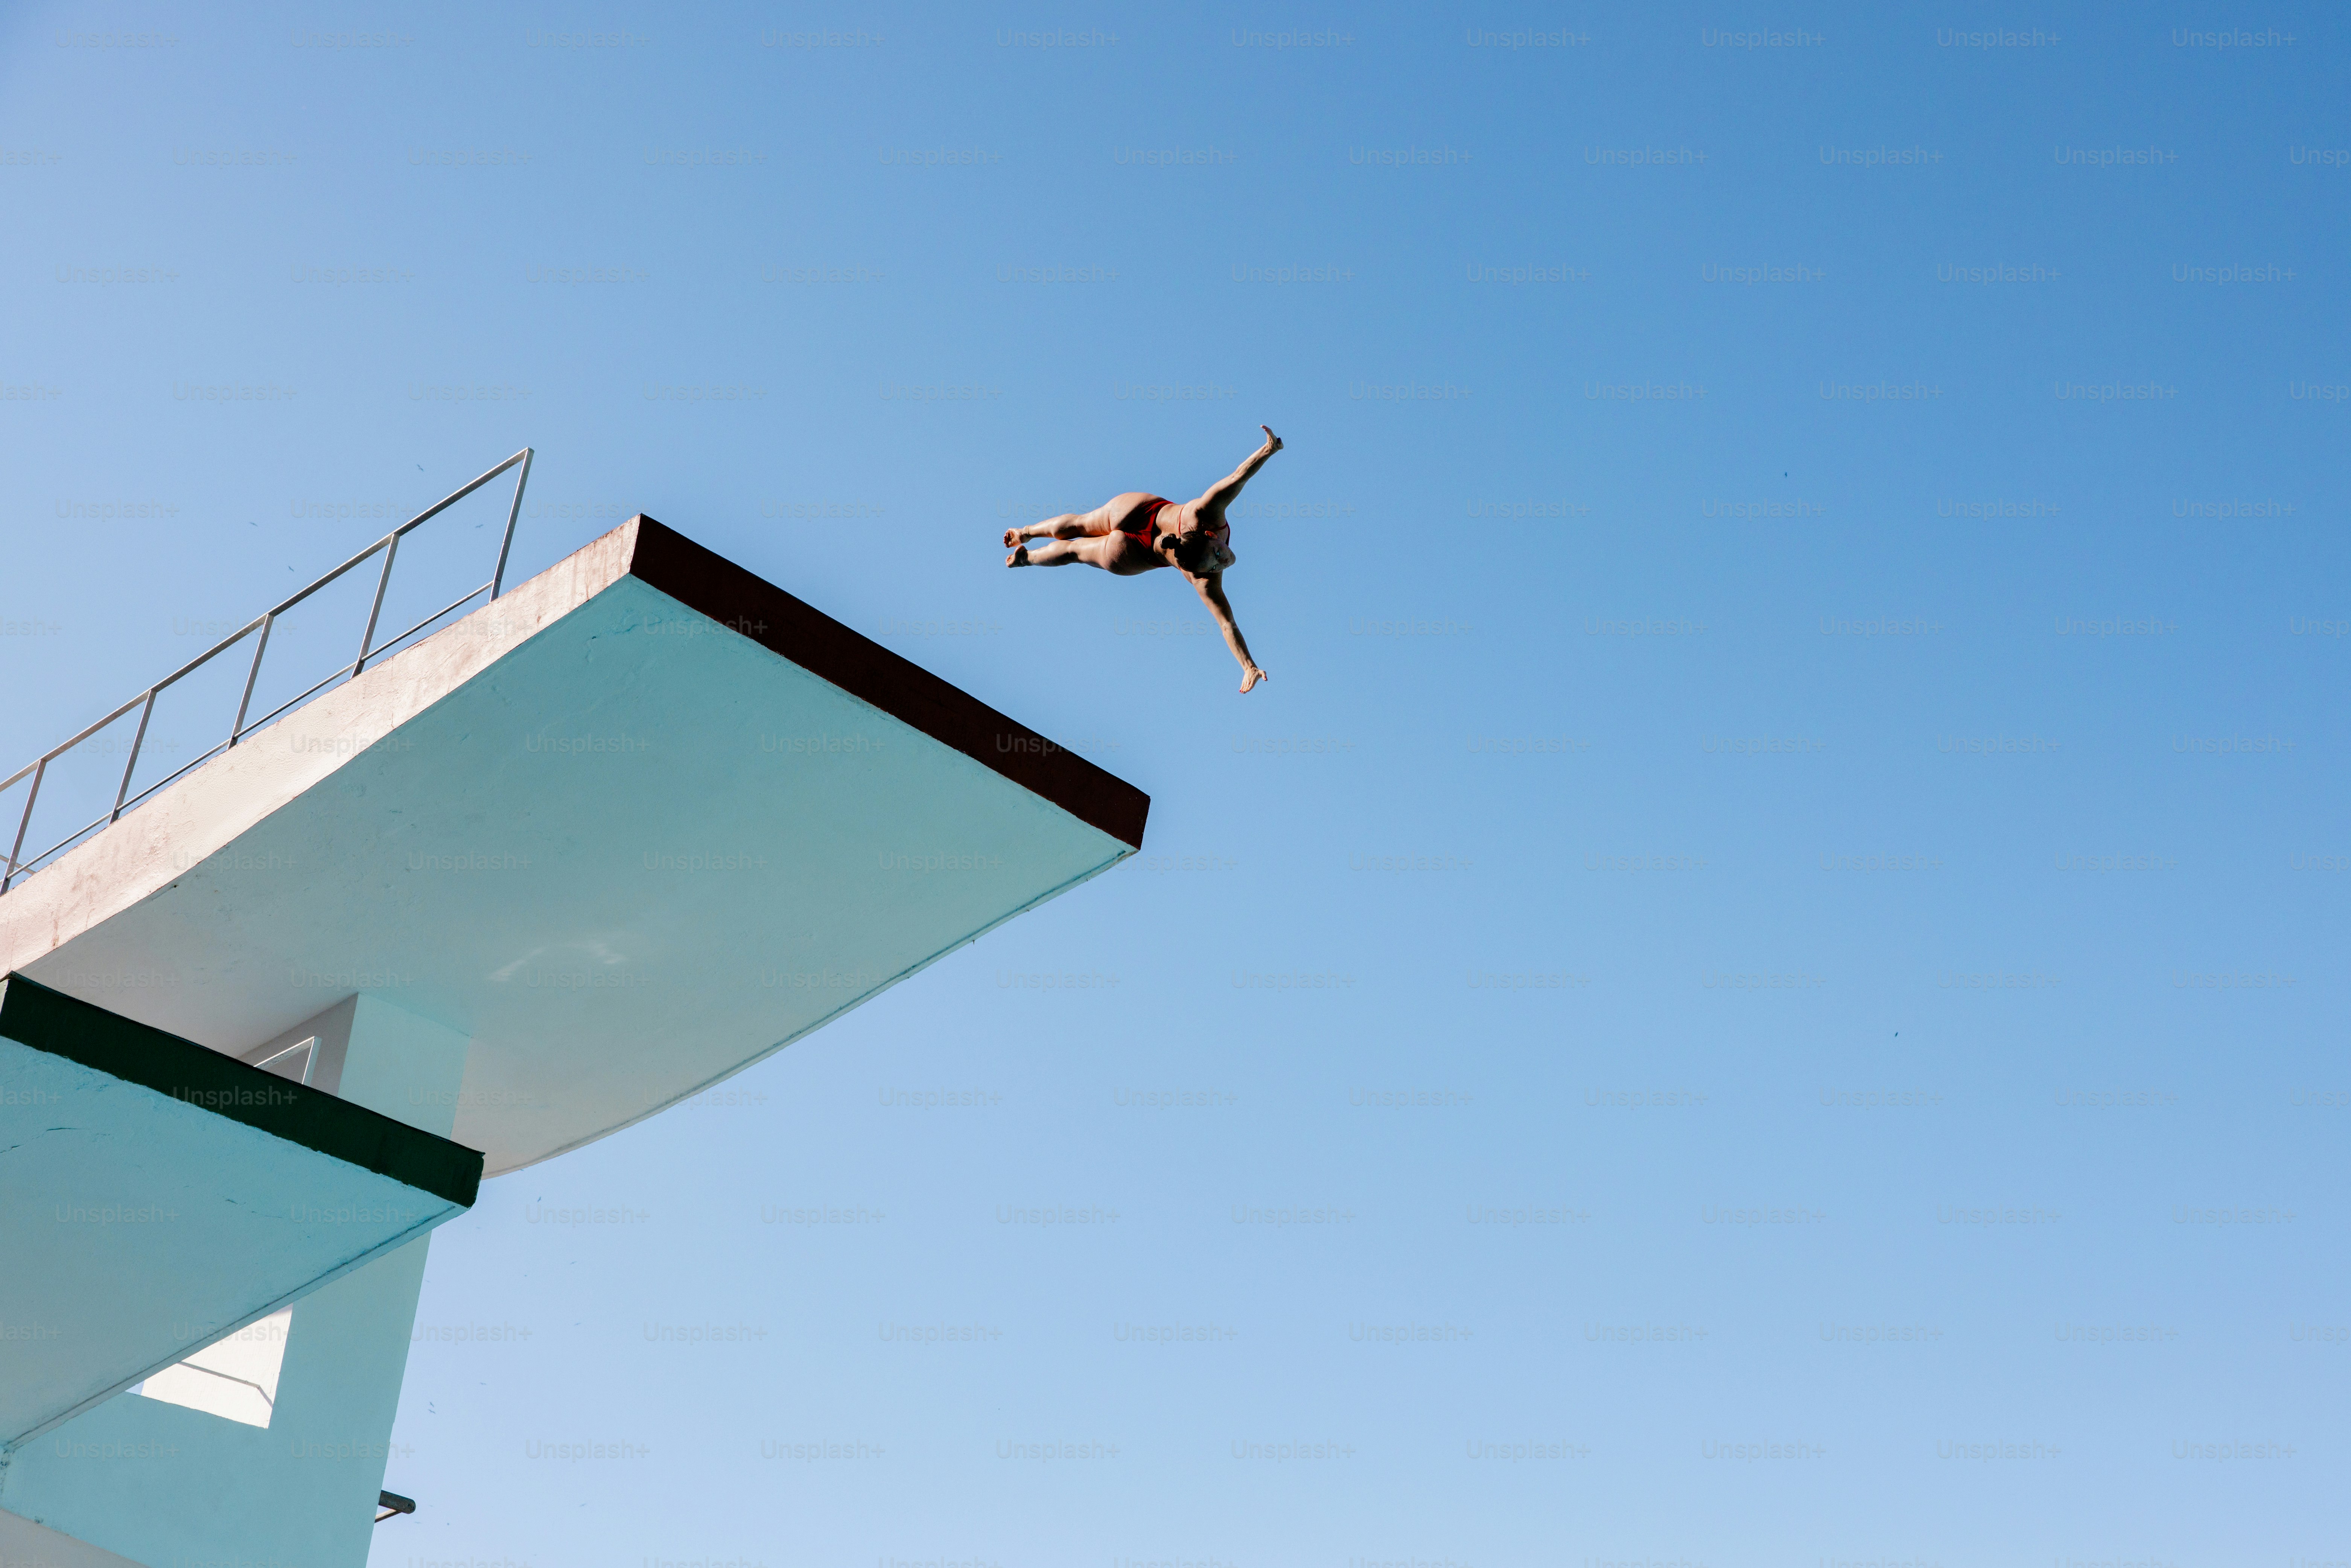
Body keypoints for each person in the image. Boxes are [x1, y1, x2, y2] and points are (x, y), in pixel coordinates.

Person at [1003, 426, 1280, 692]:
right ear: (1211, 534)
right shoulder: (1204, 536)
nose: (1226, 561)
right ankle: (1026, 547)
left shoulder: (1204, 552)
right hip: (1136, 537)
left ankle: (1025, 540)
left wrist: (1249, 667)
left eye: (1216, 566)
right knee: (1074, 542)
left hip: (1134, 529)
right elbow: (1237, 478)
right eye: (1219, 555)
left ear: (1199, 571)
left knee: (1077, 532)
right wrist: (1267, 451)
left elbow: (1226, 624)